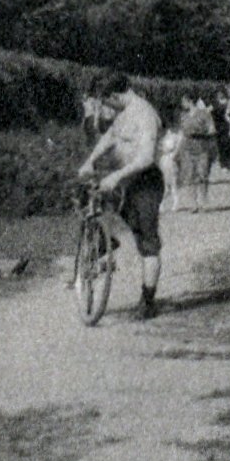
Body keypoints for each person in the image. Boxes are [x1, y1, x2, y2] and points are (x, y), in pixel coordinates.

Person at [78, 72, 165, 319]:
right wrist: (90, 160)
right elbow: (110, 137)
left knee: (147, 242)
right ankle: (105, 241)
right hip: (124, 180)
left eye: (106, 101)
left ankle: (148, 301)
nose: (105, 106)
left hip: (145, 182)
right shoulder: (123, 113)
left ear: (115, 95)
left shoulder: (145, 114)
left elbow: (146, 158)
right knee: (91, 197)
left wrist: (116, 176)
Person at [177, 94, 218, 211]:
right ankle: (193, 204)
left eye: (183, 101)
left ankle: (203, 203)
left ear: (190, 101)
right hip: (187, 150)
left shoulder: (204, 114)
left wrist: (200, 132)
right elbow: (182, 133)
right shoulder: (183, 116)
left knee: (202, 175)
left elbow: (212, 130)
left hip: (202, 148)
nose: (182, 104)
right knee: (189, 177)